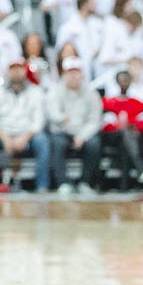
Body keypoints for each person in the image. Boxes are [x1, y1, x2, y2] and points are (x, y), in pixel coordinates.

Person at [0, 60, 49, 190]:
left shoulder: (36, 92)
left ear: (24, 71)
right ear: (8, 72)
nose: (16, 73)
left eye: (19, 69)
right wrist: (5, 138)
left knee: (42, 140)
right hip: (3, 134)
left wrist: (24, 138)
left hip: (27, 135)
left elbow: (39, 121)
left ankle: (42, 186)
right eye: (12, 69)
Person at [43, 58, 103, 194]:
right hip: (62, 131)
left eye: (76, 72)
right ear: (64, 74)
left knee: (94, 144)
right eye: (70, 72)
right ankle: (63, 182)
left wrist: (81, 136)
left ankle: (85, 182)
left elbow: (95, 120)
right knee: (57, 143)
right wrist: (62, 119)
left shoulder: (91, 94)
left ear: (82, 74)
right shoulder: (55, 91)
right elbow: (53, 114)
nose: (73, 76)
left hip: (84, 132)